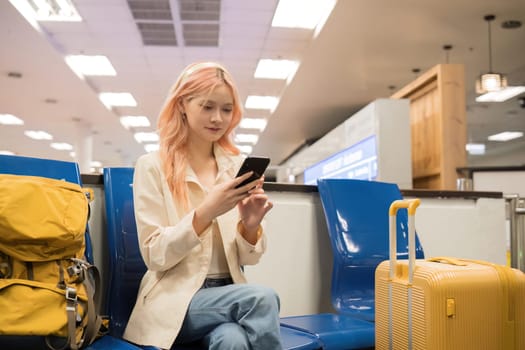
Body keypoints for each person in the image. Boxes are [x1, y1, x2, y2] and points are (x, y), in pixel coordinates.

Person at [122, 61, 283, 350]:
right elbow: (154, 256)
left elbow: (249, 260)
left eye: (226, 109)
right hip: (177, 300)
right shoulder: (152, 166)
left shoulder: (236, 166)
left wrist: (251, 225)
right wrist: (207, 211)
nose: (218, 118)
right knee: (262, 298)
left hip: (230, 293)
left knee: (232, 340)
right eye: (207, 107)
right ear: (183, 104)